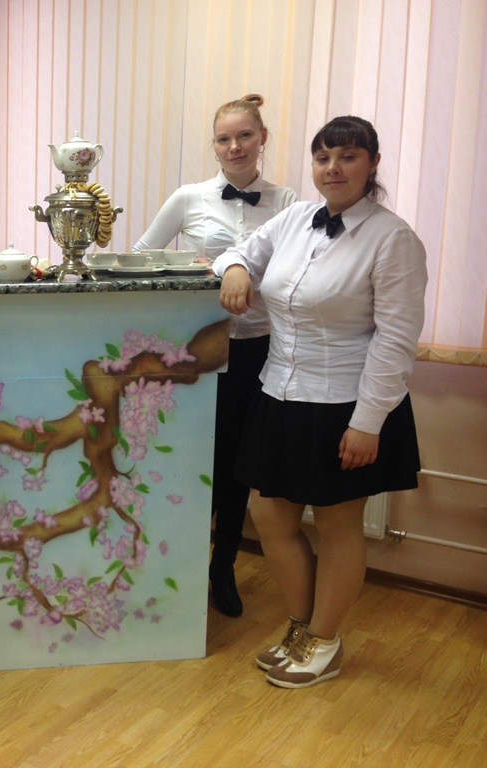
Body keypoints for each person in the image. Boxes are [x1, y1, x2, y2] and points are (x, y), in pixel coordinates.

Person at [214, 115, 427, 688]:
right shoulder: (294, 219)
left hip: (345, 403)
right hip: (280, 393)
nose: (333, 168)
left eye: (348, 157)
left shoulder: (393, 238)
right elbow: (239, 250)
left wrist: (368, 422)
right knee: (269, 516)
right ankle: (301, 629)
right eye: (323, 157)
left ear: (372, 164)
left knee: (337, 525)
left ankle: (324, 641)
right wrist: (235, 268)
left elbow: (396, 340)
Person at [132, 95, 298, 617]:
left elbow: (297, 272)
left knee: (238, 465)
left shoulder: (288, 201)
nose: (234, 147)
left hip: (261, 349)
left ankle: (222, 565)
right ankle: (178, 564)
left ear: (262, 138)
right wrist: (193, 270)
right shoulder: (189, 197)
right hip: (197, 349)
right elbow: (141, 258)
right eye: (224, 139)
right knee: (192, 459)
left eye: (245, 136)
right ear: (214, 145)